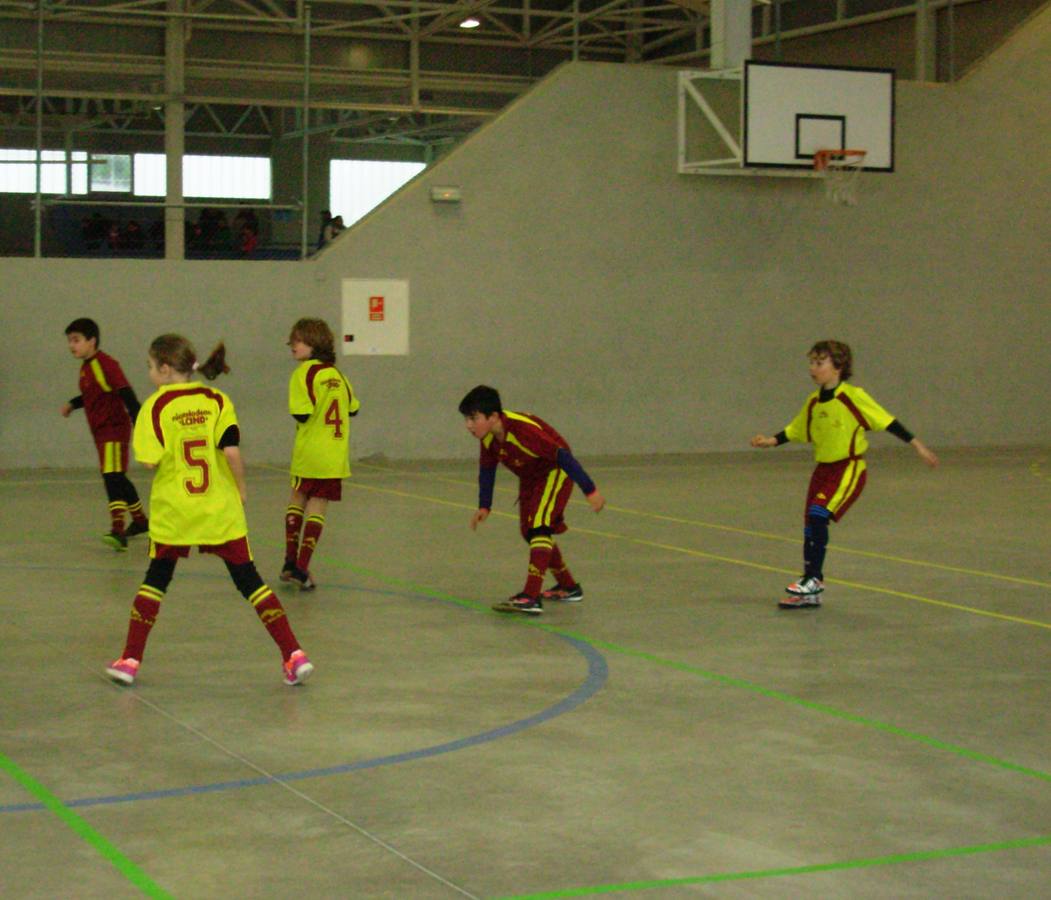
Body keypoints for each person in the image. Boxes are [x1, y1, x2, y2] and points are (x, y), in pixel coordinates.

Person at [105, 334, 314, 687]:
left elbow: (148, 461)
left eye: (150, 367)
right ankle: (294, 654)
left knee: (157, 578)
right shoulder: (217, 399)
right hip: (220, 509)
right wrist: (241, 491)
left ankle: (129, 660)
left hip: (177, 512)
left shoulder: (155, 408)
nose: (149, 373)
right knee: (250, 581)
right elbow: (232, 452)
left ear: (166, 368)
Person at [750, 340, 938, 609]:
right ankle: (810, 591)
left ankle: (814, 578)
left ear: (838, 366)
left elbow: (887, 420)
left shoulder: (852, 396)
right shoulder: (814, 401)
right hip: (822, 471)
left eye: (820, 362)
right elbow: (795, 430)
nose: (813, 368)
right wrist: (769, 441)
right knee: (809, 527)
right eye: (811, 362)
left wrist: (918, 446)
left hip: (848, 468)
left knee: (818, 514)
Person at [459, 385, 606, 616]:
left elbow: (562, 456)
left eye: (473, 418)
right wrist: (484, 505)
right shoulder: (488, 438)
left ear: (493, 416)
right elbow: (487, 470)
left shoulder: (522, 430)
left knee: (539, 526)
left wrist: (590, 490)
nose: (468, 425)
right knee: (530, 531)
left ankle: (531, 595)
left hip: (554, 470)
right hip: (530, 476)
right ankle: (568, 586)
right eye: (466, 419)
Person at [281, 318, 360, 591]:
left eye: (297, 340)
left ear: (313, 344)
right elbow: (353, 408)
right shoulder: (338, 376)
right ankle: (301, 566)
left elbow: (301, 412)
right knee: (317, 505)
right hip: (333, 455)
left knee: (298, 498)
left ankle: (292, 563)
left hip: (308, 452)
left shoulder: (303, 374)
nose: (292, 345)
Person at [61, 318, 149, 550]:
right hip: (101, 433)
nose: (72, 345)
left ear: (92, 341)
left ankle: (118, 530)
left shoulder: (106, 364)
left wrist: (138, 420)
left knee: (112, 477)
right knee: (117, 476)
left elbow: (125, 392)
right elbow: (93, 396)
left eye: (76, 340)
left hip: (113, 430)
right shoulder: (86, 367)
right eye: (69, 341)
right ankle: (141, 521)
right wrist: (72, 403)